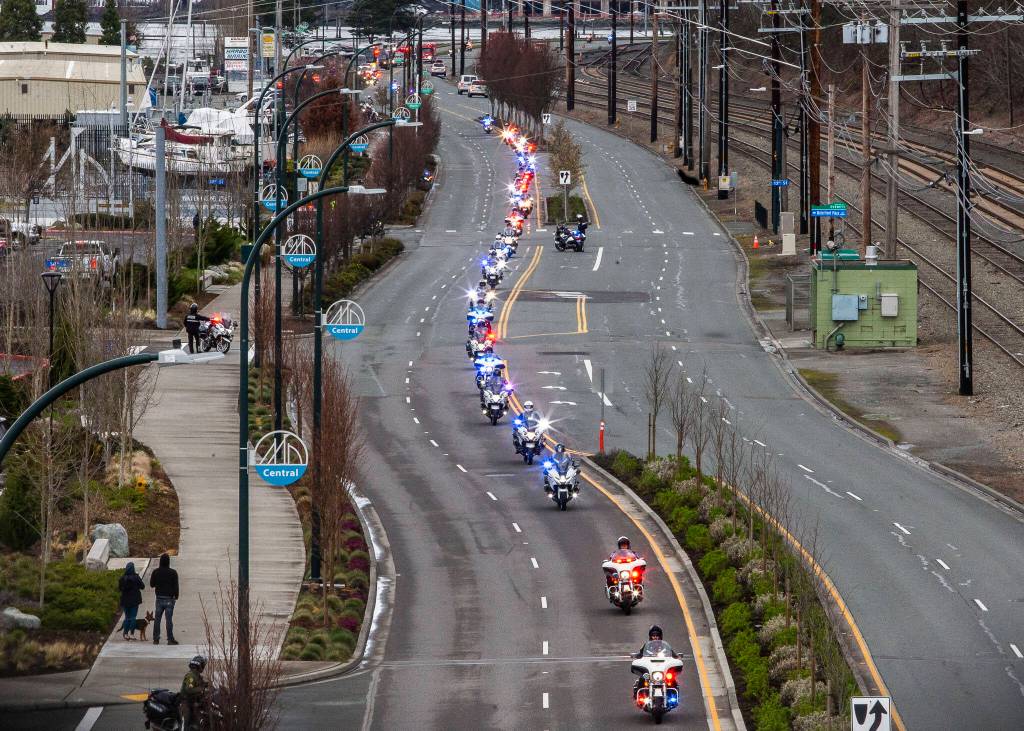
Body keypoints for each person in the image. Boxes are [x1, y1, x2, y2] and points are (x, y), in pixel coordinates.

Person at [150, 553, 179, 645]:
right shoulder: (173, 572)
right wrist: (176, 596)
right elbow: (176, 586)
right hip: (169, 599)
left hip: (159, 598)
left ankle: (156, 638)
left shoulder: (156, 572)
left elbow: (152, 584)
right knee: (169, 619)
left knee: (157, 619)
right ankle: (170, 639)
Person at [180, 654, 209, 729]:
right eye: (203, 665)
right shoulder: (191, 676)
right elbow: (189, 689)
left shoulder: (197, 676)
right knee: (187, 718)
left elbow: (202, 684)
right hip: (186, 701)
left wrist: (209, 685)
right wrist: (202, 688)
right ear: (199, 666)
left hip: (195, 700)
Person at [118, 561, 145, 640]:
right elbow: (143, 586)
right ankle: (132, 634)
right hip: (134, 601)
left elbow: (119, 589)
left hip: (125, 601)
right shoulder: (136, 577)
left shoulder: (122, 578)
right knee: (133, 617)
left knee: (127, 617)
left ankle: (125, 634)